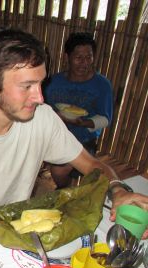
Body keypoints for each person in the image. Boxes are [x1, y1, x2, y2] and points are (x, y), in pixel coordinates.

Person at [0, 28, 148, 239]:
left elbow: (90, 164)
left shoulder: (42, 118)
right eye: (27, 86)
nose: (40, 97)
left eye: (41, 84)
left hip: (17, 227)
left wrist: (117, 189)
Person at [44, 32, 113, 188]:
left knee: (59, 170)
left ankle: (64, 190)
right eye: (78, 58)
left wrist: (80, 122)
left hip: (83, 140)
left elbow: (105, 119)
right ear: (67, 57)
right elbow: (43, 108)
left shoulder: (102, 85)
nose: (84, 63)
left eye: (88, 57)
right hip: (54, 136)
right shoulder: (54, 81)